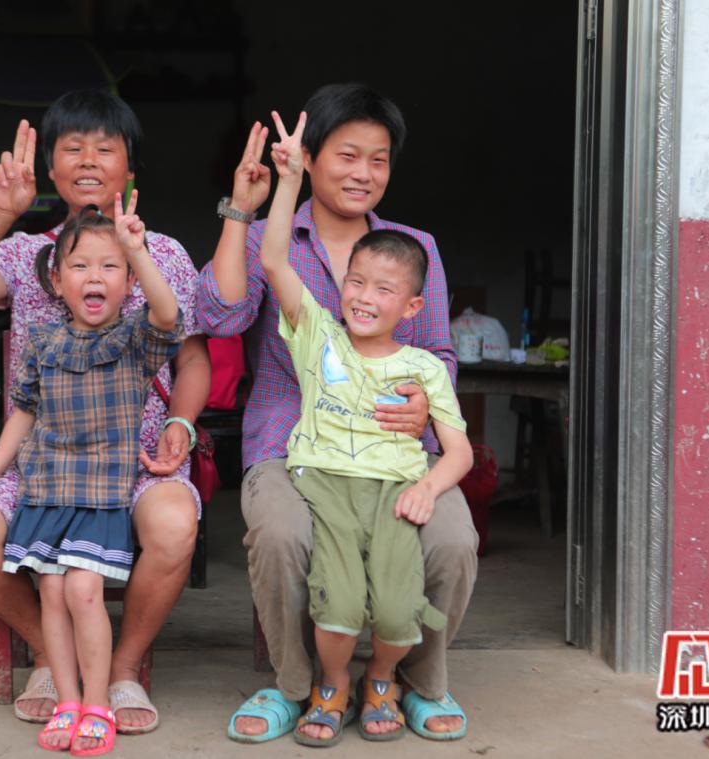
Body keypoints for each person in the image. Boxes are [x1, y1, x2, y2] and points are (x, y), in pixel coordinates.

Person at [198, 83, 478, 743]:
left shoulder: (414, 248)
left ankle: (412, 680)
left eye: (378, 160)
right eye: (347, 156)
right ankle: (299, 685)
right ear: (311, 158)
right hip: (290, 445)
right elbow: (220, 314)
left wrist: (422, 407)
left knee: (452, 539)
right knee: (281, 533)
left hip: (395, 448)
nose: (363, 173)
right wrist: (242, 211)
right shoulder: (272, 239)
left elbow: (437, 352)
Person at [0, 90, 208, 734]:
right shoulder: (28, 253)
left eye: (105, 148)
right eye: (72, 148)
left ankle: (122, 668)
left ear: (129, 166)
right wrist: (1, 212)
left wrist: (180, 424)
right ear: (50, 168)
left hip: (136, 459)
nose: (88, 160)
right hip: (43, 464)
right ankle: (52, 661)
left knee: (172, 524)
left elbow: (191, 357)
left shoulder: (160, 253)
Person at [0, 196, 182, 754]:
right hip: (47, 490)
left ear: (129, 281)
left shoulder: (133, 341)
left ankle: (98, 703)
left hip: (101, 494)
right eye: (79, 266)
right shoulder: (42, 343)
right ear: (56, 281)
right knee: (52, 593)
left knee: (82, 590)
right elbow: (23, 413)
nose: (94, 277)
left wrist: (137, 251)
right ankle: (69, 701)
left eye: (110, 267)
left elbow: (168, 314)